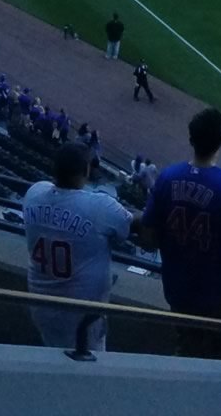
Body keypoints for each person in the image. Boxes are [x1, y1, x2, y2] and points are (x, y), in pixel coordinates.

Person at [142, 108, 221, 358]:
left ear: (191, 140)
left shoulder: (167, 177)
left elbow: (147, 239)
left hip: (179, 290)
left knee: (188, 354)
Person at [24, 142, 133, 355]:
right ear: (86, 170)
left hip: (40, 306)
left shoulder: (33, 194)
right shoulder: (100, 206)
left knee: (53, 355)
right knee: (90, 366)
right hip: (82, 316)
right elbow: (129, 226)